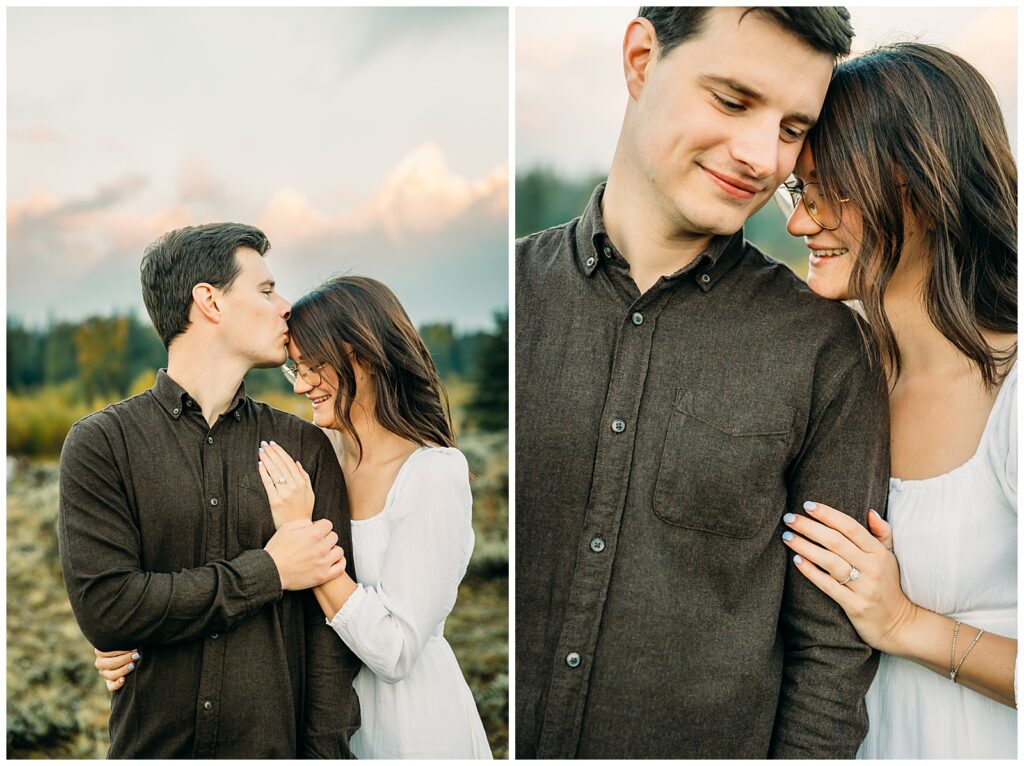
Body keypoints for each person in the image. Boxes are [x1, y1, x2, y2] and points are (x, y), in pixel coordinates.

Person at [516, 7, 891, 759]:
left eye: (792, 129)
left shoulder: (825, 351)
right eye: (732, 100)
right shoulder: (518, 290)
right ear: (640, 58)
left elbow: (831, 661)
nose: (761, 156)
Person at [97, 276, 492, 759]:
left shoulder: (432, 474)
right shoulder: (312, 452)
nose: (302, 384)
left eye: (314, 368)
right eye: (295, 370)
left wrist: (300, 537)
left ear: (363, 357)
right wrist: (137, 637)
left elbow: (396, 650)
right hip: (313, 708)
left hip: (404, 722)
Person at [779, 43, 1017, 758]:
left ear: (919, 188)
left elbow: (887, 618)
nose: (800, 222)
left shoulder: (1014, 391)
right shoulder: (838, 376)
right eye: (800, 191)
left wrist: (905, 622)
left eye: (829, 191)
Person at [59, 223, 362, 758]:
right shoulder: (102, 445)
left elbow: (329, 644)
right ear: (209, 302)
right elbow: (108, 610)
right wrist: (269, 572)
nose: (284, 305)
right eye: (266, 290)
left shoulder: (306, 446)